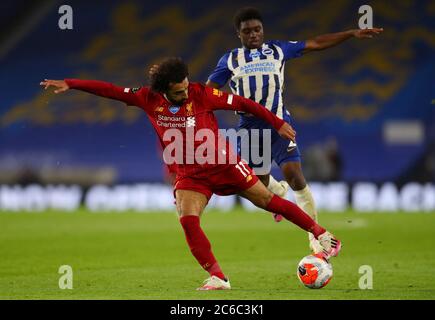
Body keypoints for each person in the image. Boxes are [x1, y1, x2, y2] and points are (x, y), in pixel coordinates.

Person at [40, 57, 341, 291]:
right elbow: (111, 91)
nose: (185, 92)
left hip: (223, 163)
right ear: (163, 91)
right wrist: (71, 83)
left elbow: (242, 103)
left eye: (185, 86)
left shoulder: (201, 93)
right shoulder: (147, 99)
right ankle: (218, 277)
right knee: (187, 219)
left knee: (268, 201)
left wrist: (276, 122)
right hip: (190, 175)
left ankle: (323, 235)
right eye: (178, 90)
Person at [205, 7, 383, 253]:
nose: (254, 35)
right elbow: (208, 91)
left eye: (257, 30)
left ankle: (315, 237)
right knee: (259, 186)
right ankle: (278, 190)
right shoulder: (229, 60)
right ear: (239, 34)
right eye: (247, 31)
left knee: (295, 176)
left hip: (279, 124)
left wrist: (351, 33)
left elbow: (316, 43)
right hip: (249, 129)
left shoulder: (278, 50)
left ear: (263, 30)